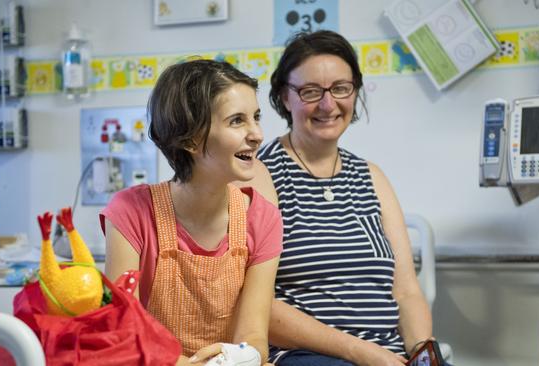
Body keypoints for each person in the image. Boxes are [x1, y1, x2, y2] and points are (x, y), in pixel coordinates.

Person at [252, 30, 433, 366]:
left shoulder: (372, 177)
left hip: (388, 354)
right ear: (284, 96)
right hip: (307, 356)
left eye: (340, 88)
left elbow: (406, 291)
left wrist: (424, 354)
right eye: (310, 91)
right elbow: (256, 305)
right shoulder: (260, 175)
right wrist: (363, 354)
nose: (328, 104)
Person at [102, 59, 283, 365]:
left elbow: (253, 338)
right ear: (190, 138)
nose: (257, 134)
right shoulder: (130, 212)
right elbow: (124, 333)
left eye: (256, 117)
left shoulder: (263, 219)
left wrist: (244, 356)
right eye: (237, 121)